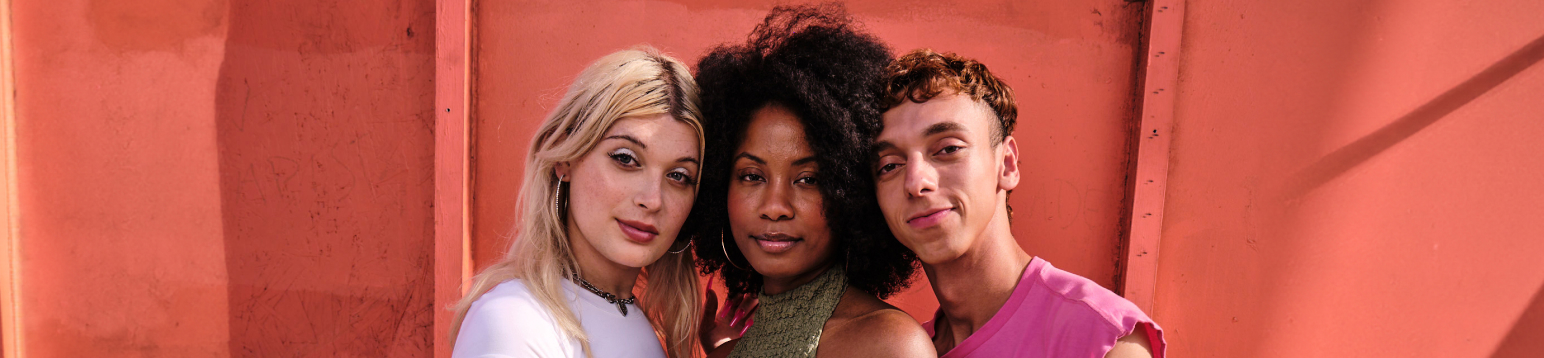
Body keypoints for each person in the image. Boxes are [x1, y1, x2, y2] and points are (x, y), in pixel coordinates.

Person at [867, 49, 1167, 358]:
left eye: (947, 149)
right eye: (889, 166)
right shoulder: (901, 349)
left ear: (1007, 165)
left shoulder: (1101, 338)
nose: (916, 183)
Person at [689, 4, 934, 358]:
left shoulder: (887, 344)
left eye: (808, 179)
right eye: (752, 176)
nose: (775, 207)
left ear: (851, 193)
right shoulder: (727, 352)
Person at [449, 47, 705, 358]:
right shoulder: (516, 323)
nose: (653, 200)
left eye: (679, 176)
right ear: (566, 158)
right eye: (626, 159)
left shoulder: (639, 321)